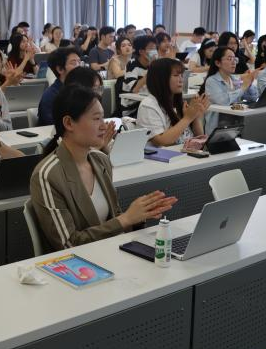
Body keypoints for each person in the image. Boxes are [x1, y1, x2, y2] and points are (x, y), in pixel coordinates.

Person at [30, 85, 177, 252]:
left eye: (103, 118)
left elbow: (114, 219)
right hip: (78, 262)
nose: (104, 126)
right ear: (69, 123)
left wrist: (139, 215)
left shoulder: (101, 160)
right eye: (96, 119)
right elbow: (68, 244)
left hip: (109, 252)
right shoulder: (47, 175)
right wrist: (126, 219)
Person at [137, 58, 208, 147]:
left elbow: (199, 140)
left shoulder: (179, 102)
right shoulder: (148, 105)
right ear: (161, 79)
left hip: (186, 153)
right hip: (164, 155)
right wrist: (188, 118)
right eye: (176, 75)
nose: (181, 80)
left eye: (182, 75)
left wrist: (196, 116)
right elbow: (162, 141)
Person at [202, 46, 258, 133]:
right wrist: (243, 87)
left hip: (235, 124)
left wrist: (249, 83)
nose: (233, 62)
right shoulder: (211, 81)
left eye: (235, 59)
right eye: (229, 59)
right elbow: (224, 101)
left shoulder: (235, 79)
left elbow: (253, 98)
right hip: (217, 128)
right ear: (218, 63)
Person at [38, 47, 83, 125]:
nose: (79, 66)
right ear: (60, 69)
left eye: (79, 62)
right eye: (74, 63)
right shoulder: (51, 95)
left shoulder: (81, 89)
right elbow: (54, 125)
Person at [121, 35, 157, 101]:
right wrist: (152, 68)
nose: (154, 52)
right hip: (133, 103)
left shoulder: (155, 64)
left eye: (155, 49)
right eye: (151, 49)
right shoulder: (132, 64)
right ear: (141, 51)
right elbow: (134, 89)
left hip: (149, 100)